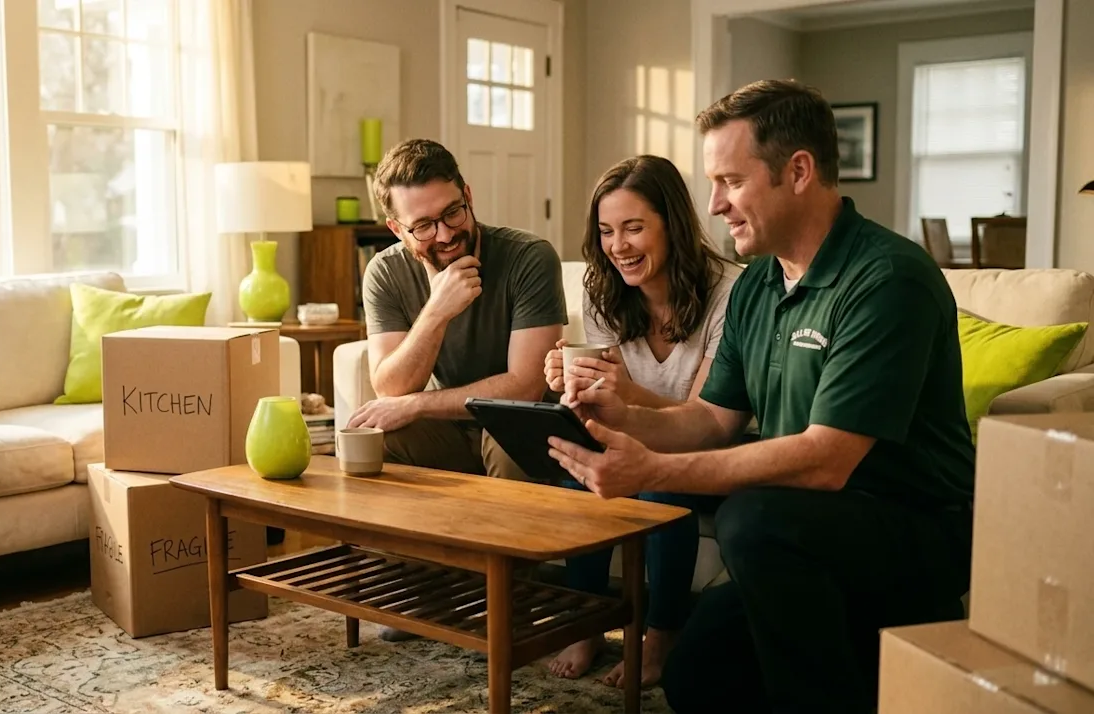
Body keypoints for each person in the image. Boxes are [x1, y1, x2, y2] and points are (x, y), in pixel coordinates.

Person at [547, 79, 975, 714]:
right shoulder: (757, 287)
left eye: (731, 181)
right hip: (803, 532)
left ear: (797, 171)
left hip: (914, 529)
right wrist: (621, 415)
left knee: (753, 517)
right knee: (697, 675)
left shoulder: (887, 278)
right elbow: (711, 420)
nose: (715, 204)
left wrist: (654, 470)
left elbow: (827, 461)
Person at [541, 155, 739, 688]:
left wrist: (622, 393)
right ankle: (585, 623)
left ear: (671, 224)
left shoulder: (729, 292)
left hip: (708, 451)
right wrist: (567, 381)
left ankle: (662, 633)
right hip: (630, 441)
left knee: (656, 491)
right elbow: (606, 407)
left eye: (633, 228)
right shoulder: (603, 287)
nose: (618, 246)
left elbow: (704, 419)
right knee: (574, 479)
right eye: (607, 231)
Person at [347, 138, 564, 481]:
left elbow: (526, 387)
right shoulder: (385, 272)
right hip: (446, 428)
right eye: (423, 226)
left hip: (521, 419)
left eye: (452, 212)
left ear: (468, 196)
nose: (445, 234)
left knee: (509, 440)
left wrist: (417, 404)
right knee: (379, 435)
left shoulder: (530, 257)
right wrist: (437, 310)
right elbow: (390, 388)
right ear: (396, 229)